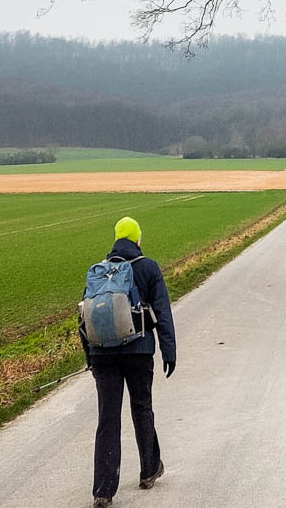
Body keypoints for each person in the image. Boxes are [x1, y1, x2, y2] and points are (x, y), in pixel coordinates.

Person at [80, 216, 177, 508]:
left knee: (107, 419)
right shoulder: (148, 267)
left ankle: (103, 491)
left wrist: (90, 357)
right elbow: (162, 312)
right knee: (141, 408)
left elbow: (85, 317)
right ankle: (149, 471)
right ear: (137, 240)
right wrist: (169, 351)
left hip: (103, 355)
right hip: (139, 351)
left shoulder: (97, 271)